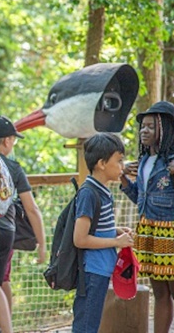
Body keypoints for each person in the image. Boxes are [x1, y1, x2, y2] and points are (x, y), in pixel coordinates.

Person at [120, 101, 174, 333]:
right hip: (148, 233)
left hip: (173, 235)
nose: (144, 131)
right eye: (142, 127)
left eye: (150, 126)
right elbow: (142, 199)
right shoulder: (143, 162)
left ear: (165, 128)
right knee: (159, 294)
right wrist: (123, 180)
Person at [0, 116, 46, 333]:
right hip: (7, 231)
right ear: (7, 141)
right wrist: (42, 244)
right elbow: (32, 208)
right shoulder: (13, 167)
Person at [73, 132, 134, 333]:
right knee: (86, 326)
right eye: (119, 161)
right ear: (101, 163)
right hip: (92, 270)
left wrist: (115, 231)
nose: (122, 167)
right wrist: (116, 242)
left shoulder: (101, 190)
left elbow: (96, 228)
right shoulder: (89, 193)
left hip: (101, 269)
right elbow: (80, 239)